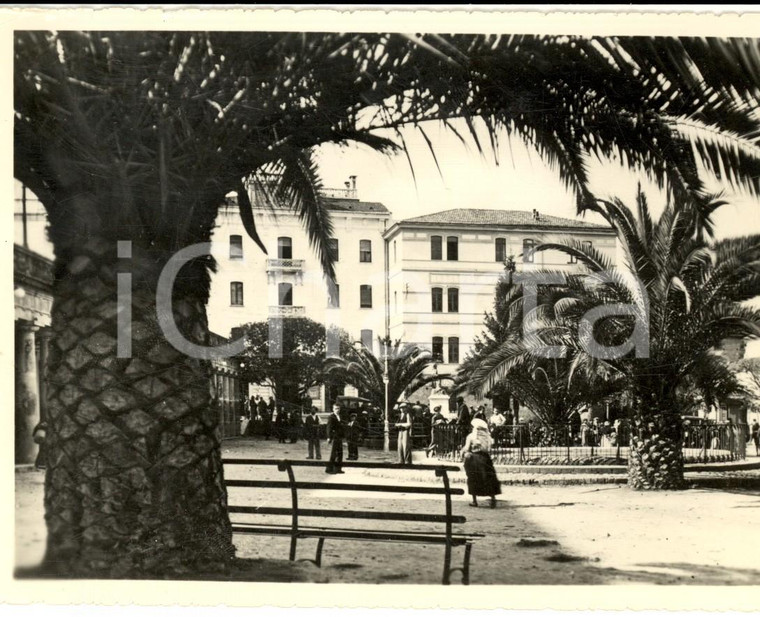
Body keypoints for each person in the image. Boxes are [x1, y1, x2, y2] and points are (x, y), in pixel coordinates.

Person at [461, 417, 501, 508]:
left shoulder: (471, 436)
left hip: (474, 459)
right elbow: (489, 448)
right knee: (488, 479)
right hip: (486, 458)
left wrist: (462, 451)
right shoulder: (487, 437)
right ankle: (492, 499)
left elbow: (467, 448)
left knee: (473, 479)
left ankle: (474, 501)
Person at [326, 403, 345, 474]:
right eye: (336, 408)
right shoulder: (331, 417)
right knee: (333, 453)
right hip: (334, 437)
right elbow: (328, 428)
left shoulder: (340, 416)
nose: (337, 410)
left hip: (339, 437)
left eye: (338, 408)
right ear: (333, 409)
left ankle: (338, 469)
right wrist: (328, 437)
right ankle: (329, 469)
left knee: (340, 453)